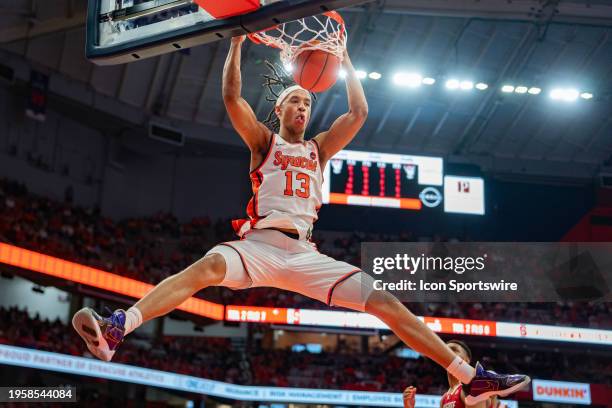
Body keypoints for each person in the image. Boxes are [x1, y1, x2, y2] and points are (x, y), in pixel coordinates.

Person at [72, 34, 529, 404]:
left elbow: (360, 112)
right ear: (279, 110)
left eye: (307, 102)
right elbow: (232, 97)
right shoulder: (263, 142)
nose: (302, 107)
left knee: (385, 301)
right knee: (205, 269)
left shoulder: (319, 149)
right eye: (294, 100)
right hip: (260, 245)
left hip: (305, 253)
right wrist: (234, 45)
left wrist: (345, 58)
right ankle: (118, 329)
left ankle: (471, 377)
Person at [403, 340, 510, 408]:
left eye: (454, 350)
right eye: (445, 351)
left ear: (467, 360)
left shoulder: (472, 385)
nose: (448, 354)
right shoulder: (444, 398)